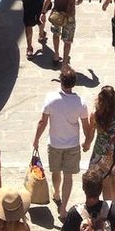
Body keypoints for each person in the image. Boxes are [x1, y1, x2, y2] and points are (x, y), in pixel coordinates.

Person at [32, 67, 91, 217]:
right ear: (74, 83)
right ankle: (63, 208)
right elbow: (86, 125)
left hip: (55, 144)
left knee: (55, 171)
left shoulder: (51, 99)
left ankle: (56, 193)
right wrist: (87, 142)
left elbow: (42, 122)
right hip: (72, 145)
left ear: (61, 81)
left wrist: (36, 139)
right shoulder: (80, 103)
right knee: (68, 176)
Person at [41, 0, 83, 69]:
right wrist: (75, 3)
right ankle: (64, 62)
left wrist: (43, 12)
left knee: (56, 35)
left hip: (57, 15)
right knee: (67, 40)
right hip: (69, 16)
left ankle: (56, 55)